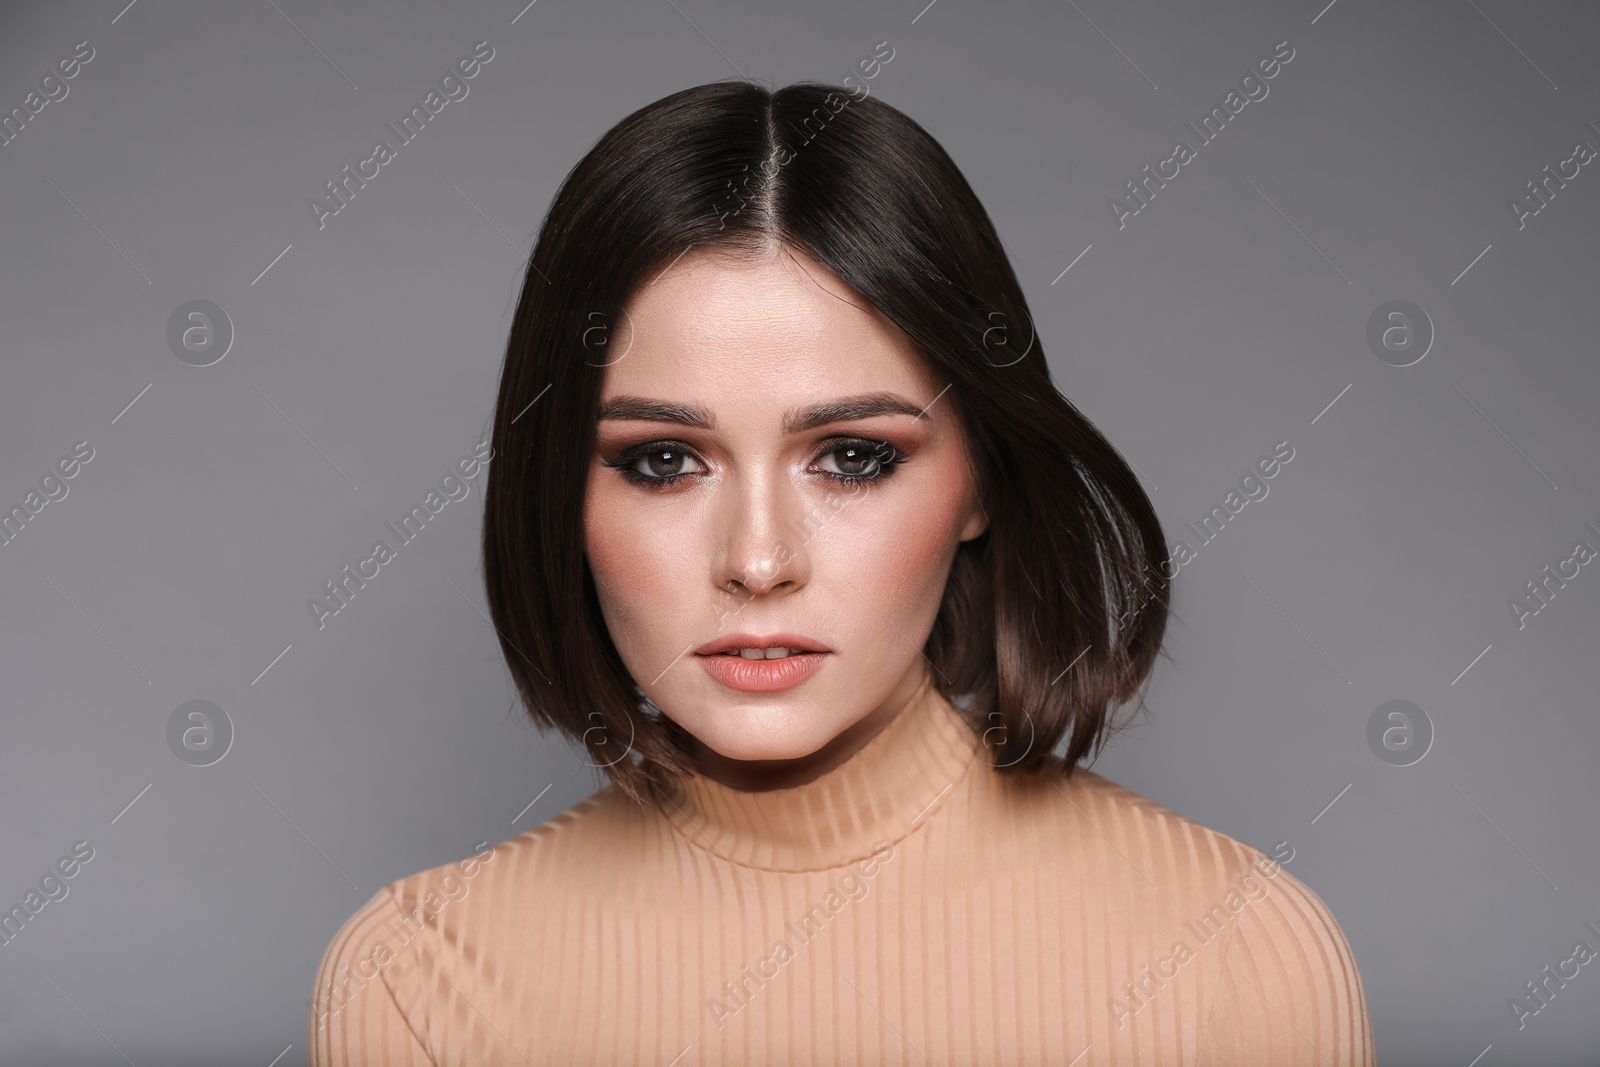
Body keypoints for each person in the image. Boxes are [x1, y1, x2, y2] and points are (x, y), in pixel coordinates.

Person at [309, 78, 1373, 1065]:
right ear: (558, 491)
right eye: (662, 460)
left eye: (854, 457)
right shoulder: (414, 986)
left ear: (980, 482)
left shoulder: (1241, 960)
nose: (758, 561)